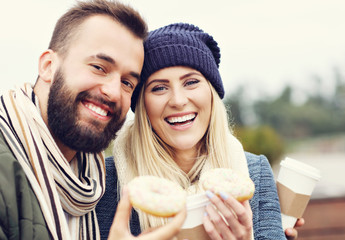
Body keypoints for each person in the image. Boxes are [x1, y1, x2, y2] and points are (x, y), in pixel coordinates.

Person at [96, 22, 303, 239]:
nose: (178, 100)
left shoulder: (255, 173)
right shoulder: (105, 181)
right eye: (159, 88)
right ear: (141, 105)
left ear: (212, 93)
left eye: (191, 82)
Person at [0, 1, 186, 239]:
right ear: (48, 67)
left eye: (127, 82)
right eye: (99, 67)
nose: (114, 92)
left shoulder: (94, 186)